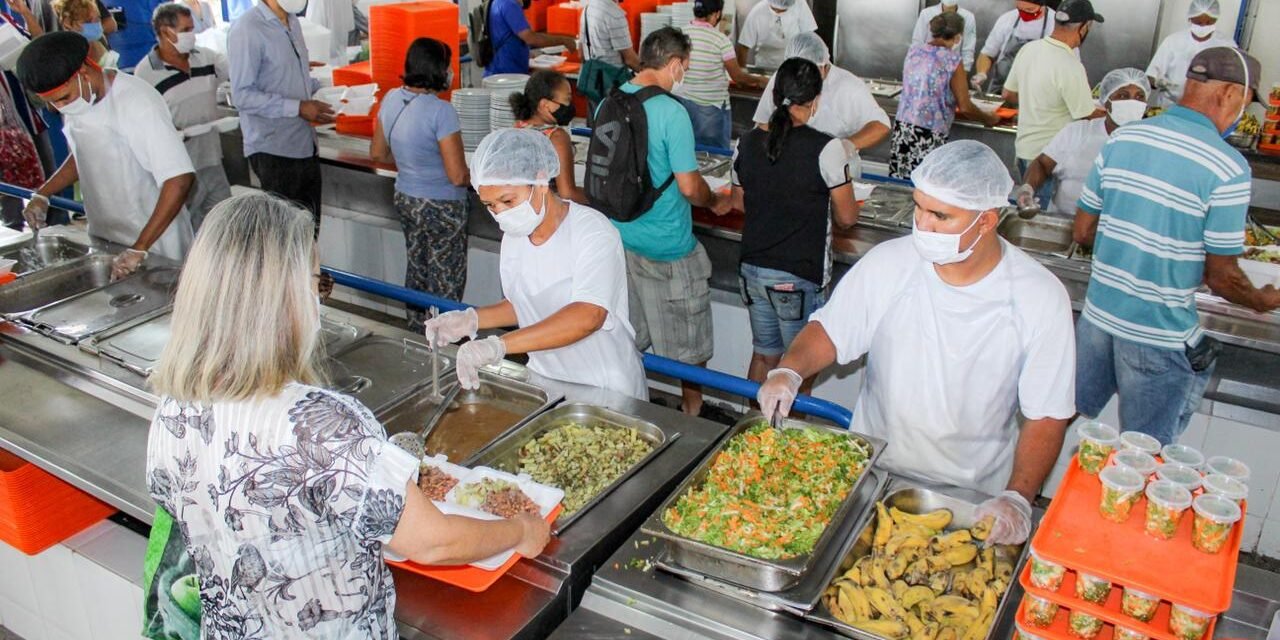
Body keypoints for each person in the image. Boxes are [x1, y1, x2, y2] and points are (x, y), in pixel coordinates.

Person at [147, 192, 551, 638]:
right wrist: (519, 530)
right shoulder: (323, 426)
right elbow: (432, 541)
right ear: (284, 299)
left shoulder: (173, 409)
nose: (320, 302)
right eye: (319, 284)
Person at [758, 140, 1076, 546]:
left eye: (941, 215)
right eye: (919, 207)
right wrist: (790, 369)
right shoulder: (890, 262)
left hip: (973, 495)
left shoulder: (1038, 297)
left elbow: (1046, 415)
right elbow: (831, 331)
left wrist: (1017, 496)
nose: (923, 224)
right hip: (875, 473)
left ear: (986, 220)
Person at [1073, 47, 1280, 445]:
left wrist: (1133, 248)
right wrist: (1261, 300)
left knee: (1064, 412)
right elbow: (1222, 277)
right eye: (1246, 101)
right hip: (1158, 335)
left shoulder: (1123, 139)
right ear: (1230, 94)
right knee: (1144, 451)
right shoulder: (1228, 167)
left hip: (1098, 319)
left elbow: (1083, 231)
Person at [422, 128, 648, 399]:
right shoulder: (514, 236)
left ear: (540, 181)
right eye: (490, 205)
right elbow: (525, 302)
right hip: (546, 380)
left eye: (508, 200)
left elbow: (589, 315)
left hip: (603, 384)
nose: (501, 214)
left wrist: (498, 346)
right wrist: (471, 319)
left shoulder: (592, 231)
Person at [609, 27, 731, 416]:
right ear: (675, 64)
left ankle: (632, 405)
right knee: (688, 347)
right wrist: (715, 201)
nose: (685, 74)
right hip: (669, 248)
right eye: (687, 67)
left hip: (622, 238)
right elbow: (691, 186)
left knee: (632, 337)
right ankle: (691, 415)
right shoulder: (671, 112)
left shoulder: (608, 102)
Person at [17, 32, 195, 278]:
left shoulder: (136, 102)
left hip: (154, 243)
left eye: (62, 98)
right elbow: (83, 155)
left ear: (83, 73)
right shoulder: (79, 100)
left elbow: (179, 178)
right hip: (106, 239)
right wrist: (43, 194)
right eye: (52, 104)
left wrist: (139, 248)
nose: (59, 107)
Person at [731, 57, 858, 388]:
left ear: (774, 95)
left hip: (752, 269)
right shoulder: (827, 149)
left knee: (763, 356)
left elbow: (737, 202)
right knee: (795, 368)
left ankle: (754, 432)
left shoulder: (745, 142)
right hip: (797, 276)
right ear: (815, 100)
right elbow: (847, 217)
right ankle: (786, 439)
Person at [369, 38, 470, 328]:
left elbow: (377, 153)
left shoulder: (390, 99)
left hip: (406, 198)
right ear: (437, 69)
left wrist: (413, 162)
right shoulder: (441, 111)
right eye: (448, 65)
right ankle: (443, 337)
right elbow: (457, 176)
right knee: (446, 274)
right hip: (443, 205)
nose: (451, 71)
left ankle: (415, 330)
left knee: (417, 266)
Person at [229, 0, 333, 229]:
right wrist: (298, 107)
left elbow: (294, 78)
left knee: (309, 233)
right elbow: (243, 96)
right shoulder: (248, 29)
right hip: (274, 150)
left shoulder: (292, 23)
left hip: (305, 144)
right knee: (285, 237)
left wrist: (329, 91)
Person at [133, 2, 232, 231]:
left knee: (223, 225)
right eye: (186, 30)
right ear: (165, 32)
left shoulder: (206, 58)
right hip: (179, 169)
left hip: (212, 159)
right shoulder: (146, 74)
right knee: (188, 229)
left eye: (192, 29)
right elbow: (144, 126)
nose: (192, 35)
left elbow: (240, 73)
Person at [1003, 0, 1103, 207]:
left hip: (1023, 151)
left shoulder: (1029, 50)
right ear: (1084, 27)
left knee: (1027, 206)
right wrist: (1118, 114)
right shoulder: (1070, 65)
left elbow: (1009, 94)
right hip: (1047, 160)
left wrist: (1037, 101)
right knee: (1041, 218)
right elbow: (1085, 113)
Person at [1015, 68, 1149, 216]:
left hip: (1117, 228)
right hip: (1064, 220)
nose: (1131, 103)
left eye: (1139, 97)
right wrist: (1027, 189)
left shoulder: (1151, 142)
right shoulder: (1078, 132)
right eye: (1123, 95)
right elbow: (1042, 164)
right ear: (1106, 101)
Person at [891, 11, 1000, 178]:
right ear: (957, 37)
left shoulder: (914, 51)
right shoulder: (952, 60)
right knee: (927, 185)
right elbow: (965, 106)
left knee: (900, 185)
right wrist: (989, 118)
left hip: (903, 129)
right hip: (930, 134)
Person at [752, 33, 890, 155]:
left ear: (824, 66)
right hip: (790, 163)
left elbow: (880, 125)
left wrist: (846, 146)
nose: (803, 79)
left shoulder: (850, 87)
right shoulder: (783, 78)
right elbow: (763, 124)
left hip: (834, 171)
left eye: (810, 71)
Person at [676, 0, 766, 150]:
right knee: (714, 154)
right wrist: (759, 80)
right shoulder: (720, 40)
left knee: (686, 149)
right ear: (717, 14)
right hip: (710, 109)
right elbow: (737, 76)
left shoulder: (679, 34)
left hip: (681, 103)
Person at [510, 69, 589, 204]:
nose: (569, 106)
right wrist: (600, 200)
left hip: (521, 208)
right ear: (544, 105)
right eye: (567, 100)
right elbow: (568, 193)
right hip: (548, 212)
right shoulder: (556, 137)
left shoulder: (517, 127)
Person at [1146, 0, 1234, 109]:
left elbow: (1234, 82)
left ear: (1216, 19)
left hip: (1207, 110)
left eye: (1209, 23)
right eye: (1198, 22)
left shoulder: (1226, 45)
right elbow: (1150, 77)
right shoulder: (1173, 41)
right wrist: (1159, 82)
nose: (1203, 26)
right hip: (1170, 106)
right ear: (1190, 18)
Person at [972, 0, 1054, 94]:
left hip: (1034, 94)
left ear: (1043, 6)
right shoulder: (1007, 19)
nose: (1024, 14)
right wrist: (981, 73)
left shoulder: (1054, 25)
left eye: (1029, 10)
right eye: (1020, 9)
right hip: (1000, 89)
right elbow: (987, 54)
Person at [485, 0, 577, 77]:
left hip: (499, 70)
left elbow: (504, 34)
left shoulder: (498, 2)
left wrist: (524, 51)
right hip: (507, 75)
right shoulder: (510, 5)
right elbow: (531, 38)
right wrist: (563, 40)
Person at [735, 0, 815, 71]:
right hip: (765, 65)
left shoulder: (800, 5)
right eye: (776, 10)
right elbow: (744, 45)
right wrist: (742, 71)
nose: (779, 13)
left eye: (783, 11)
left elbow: (810, 39)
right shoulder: (758, 11)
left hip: (794, 64)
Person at [910, 0, 977, 72]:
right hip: (925, 68)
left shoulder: (968, 17)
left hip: (953, 70)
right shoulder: (926, 13)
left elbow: (968, 50)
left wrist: (964, 71)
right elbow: (917, 44)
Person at [51, 0, 115, 67]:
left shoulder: (100, 43)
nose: (95, 24)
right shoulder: (64, 56)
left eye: (98, 18)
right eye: (88, 21)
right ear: (67, 23)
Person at [579, 0, 638, 71]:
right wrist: (650, 73)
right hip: (612, 79)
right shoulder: (615, 15)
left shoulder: (587, 9)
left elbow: (581, 54)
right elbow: (630, 60)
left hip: (589, 77)